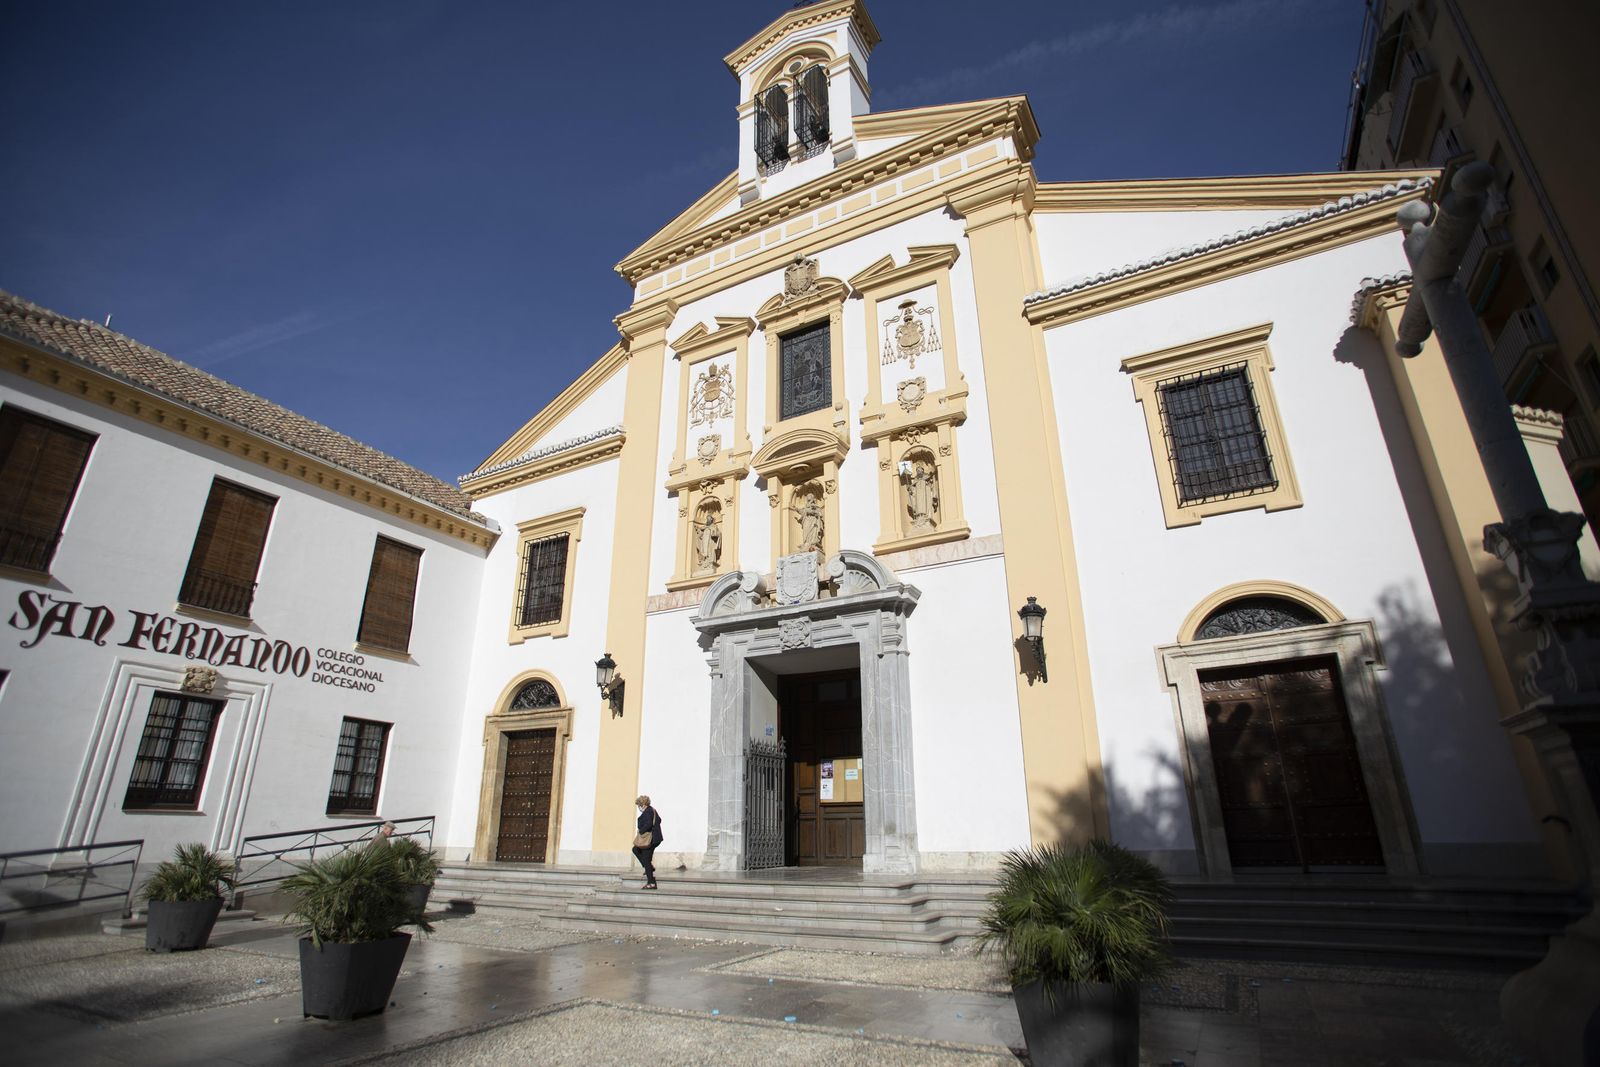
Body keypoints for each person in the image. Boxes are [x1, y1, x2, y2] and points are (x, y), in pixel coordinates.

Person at [632, 795, 662, 890]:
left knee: (646, 859)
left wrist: (641, 831)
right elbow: (659, 820)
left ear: (643, 805)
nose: (639, 808)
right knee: (635, 849)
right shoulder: (652, 810)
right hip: (655, 839)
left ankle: (651, 883)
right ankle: (649, 867)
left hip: (650, 840)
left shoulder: (648, 812)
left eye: (639, 805)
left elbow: (649, 824)